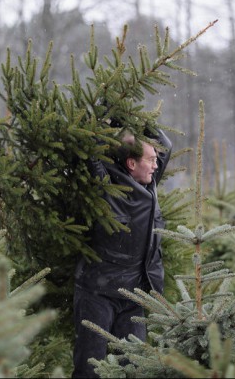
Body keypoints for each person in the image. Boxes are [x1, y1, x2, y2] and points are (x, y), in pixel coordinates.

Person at [71, 125, 172, 378]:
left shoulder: (149, 186)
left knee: (133, 366)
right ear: (130, 163)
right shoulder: (107, 185)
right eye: (150, 160)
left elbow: (165, 147)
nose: (155, 165)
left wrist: (135, 122)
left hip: (133, 295)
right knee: (90, 367)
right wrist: (106, 116)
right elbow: (87, 149)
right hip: (98, 293)